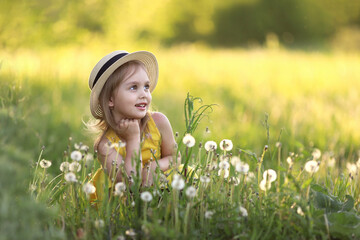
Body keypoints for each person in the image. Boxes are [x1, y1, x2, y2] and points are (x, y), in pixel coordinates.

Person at [88, 50, 192, 202]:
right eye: (133, 87)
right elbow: (131, 183)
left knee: (187, 184)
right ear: (110, 99)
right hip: (128, 200)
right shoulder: (105, 146)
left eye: (146, 87)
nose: (144, 94)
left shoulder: (159, 122)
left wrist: (153, 168)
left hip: (162, 185)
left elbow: (175, 158)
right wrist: (133, 139)